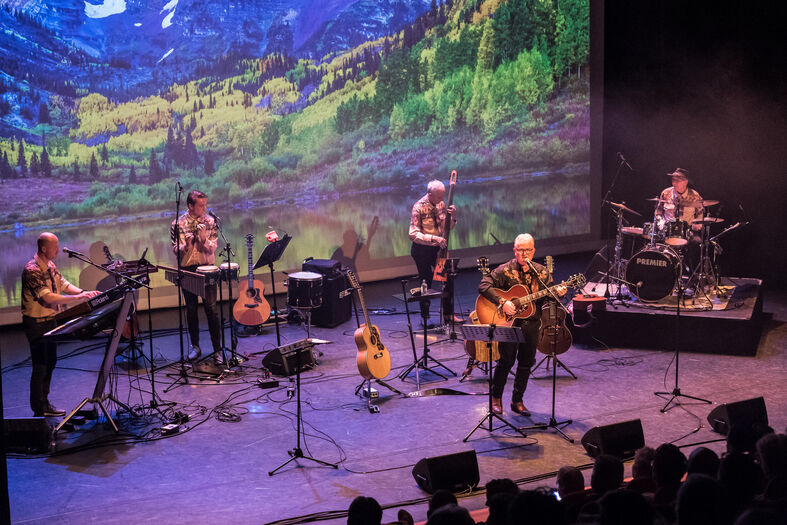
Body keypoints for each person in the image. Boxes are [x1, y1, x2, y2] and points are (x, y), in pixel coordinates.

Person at [478, 234, 565, 415]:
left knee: (526, 363)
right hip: (509, 325)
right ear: (514, 250)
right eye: (520, 250)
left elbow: (550, 295)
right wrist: (503, 302)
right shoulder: (504, 270)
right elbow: (484, 286)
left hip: (532, 324)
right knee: (505, 362)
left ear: (533, 251)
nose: (523, 253)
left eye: (527, 250)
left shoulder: (541, 272)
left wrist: (559, 293)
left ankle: (517, 400)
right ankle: (496, 399)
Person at [21, 232, 100, 417]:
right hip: (36, 323)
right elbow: (47, 297)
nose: (58, 249)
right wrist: (78, 297)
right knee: (40, 365)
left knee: (51, 362)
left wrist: (84, 293)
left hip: (50, 321)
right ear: (43, 248)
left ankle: (45, 402)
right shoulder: (32, 269)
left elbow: (63, 284)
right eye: (55, 246)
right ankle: (39, 409)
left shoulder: (50, 265)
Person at [170, 190, 223, 364]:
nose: (204, 208)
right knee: (191, 308)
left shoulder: (210, 222)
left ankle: (217, 350)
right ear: (190, 206)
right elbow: (176, 249)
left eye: (205, 204)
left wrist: (203, 240)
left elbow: (213, 248)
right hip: (188, 268)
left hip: (207, 268)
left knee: (212, 309)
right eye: (201, 205)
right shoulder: (178, 224)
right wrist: (188, 243)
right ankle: (195, 347)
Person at [409, 179, 458, 326]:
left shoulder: (441, 204)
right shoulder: (418, 207)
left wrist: (453, 216)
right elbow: (413, 234)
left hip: (438, 249)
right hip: (422, 250)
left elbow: (447, 228)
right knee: (426, 282)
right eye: (438, 196)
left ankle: (449, 315)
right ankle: (425, 317)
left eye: (443, 196)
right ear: (429, 194)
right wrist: (434, 238)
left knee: (447, 278)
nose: (441, 200)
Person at [655, 168, 704, 276]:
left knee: (697, 244)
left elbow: (700, 214)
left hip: (687, 231)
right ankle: (663, 276)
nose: (674, 183)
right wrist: (660, 223)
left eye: (678, 180)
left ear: (685, 181)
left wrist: (697, 224)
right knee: (655, 244)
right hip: (667, 230)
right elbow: (658, 212)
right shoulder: (666, 193)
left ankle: (693, 277)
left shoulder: (695, 195)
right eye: (673, 180)